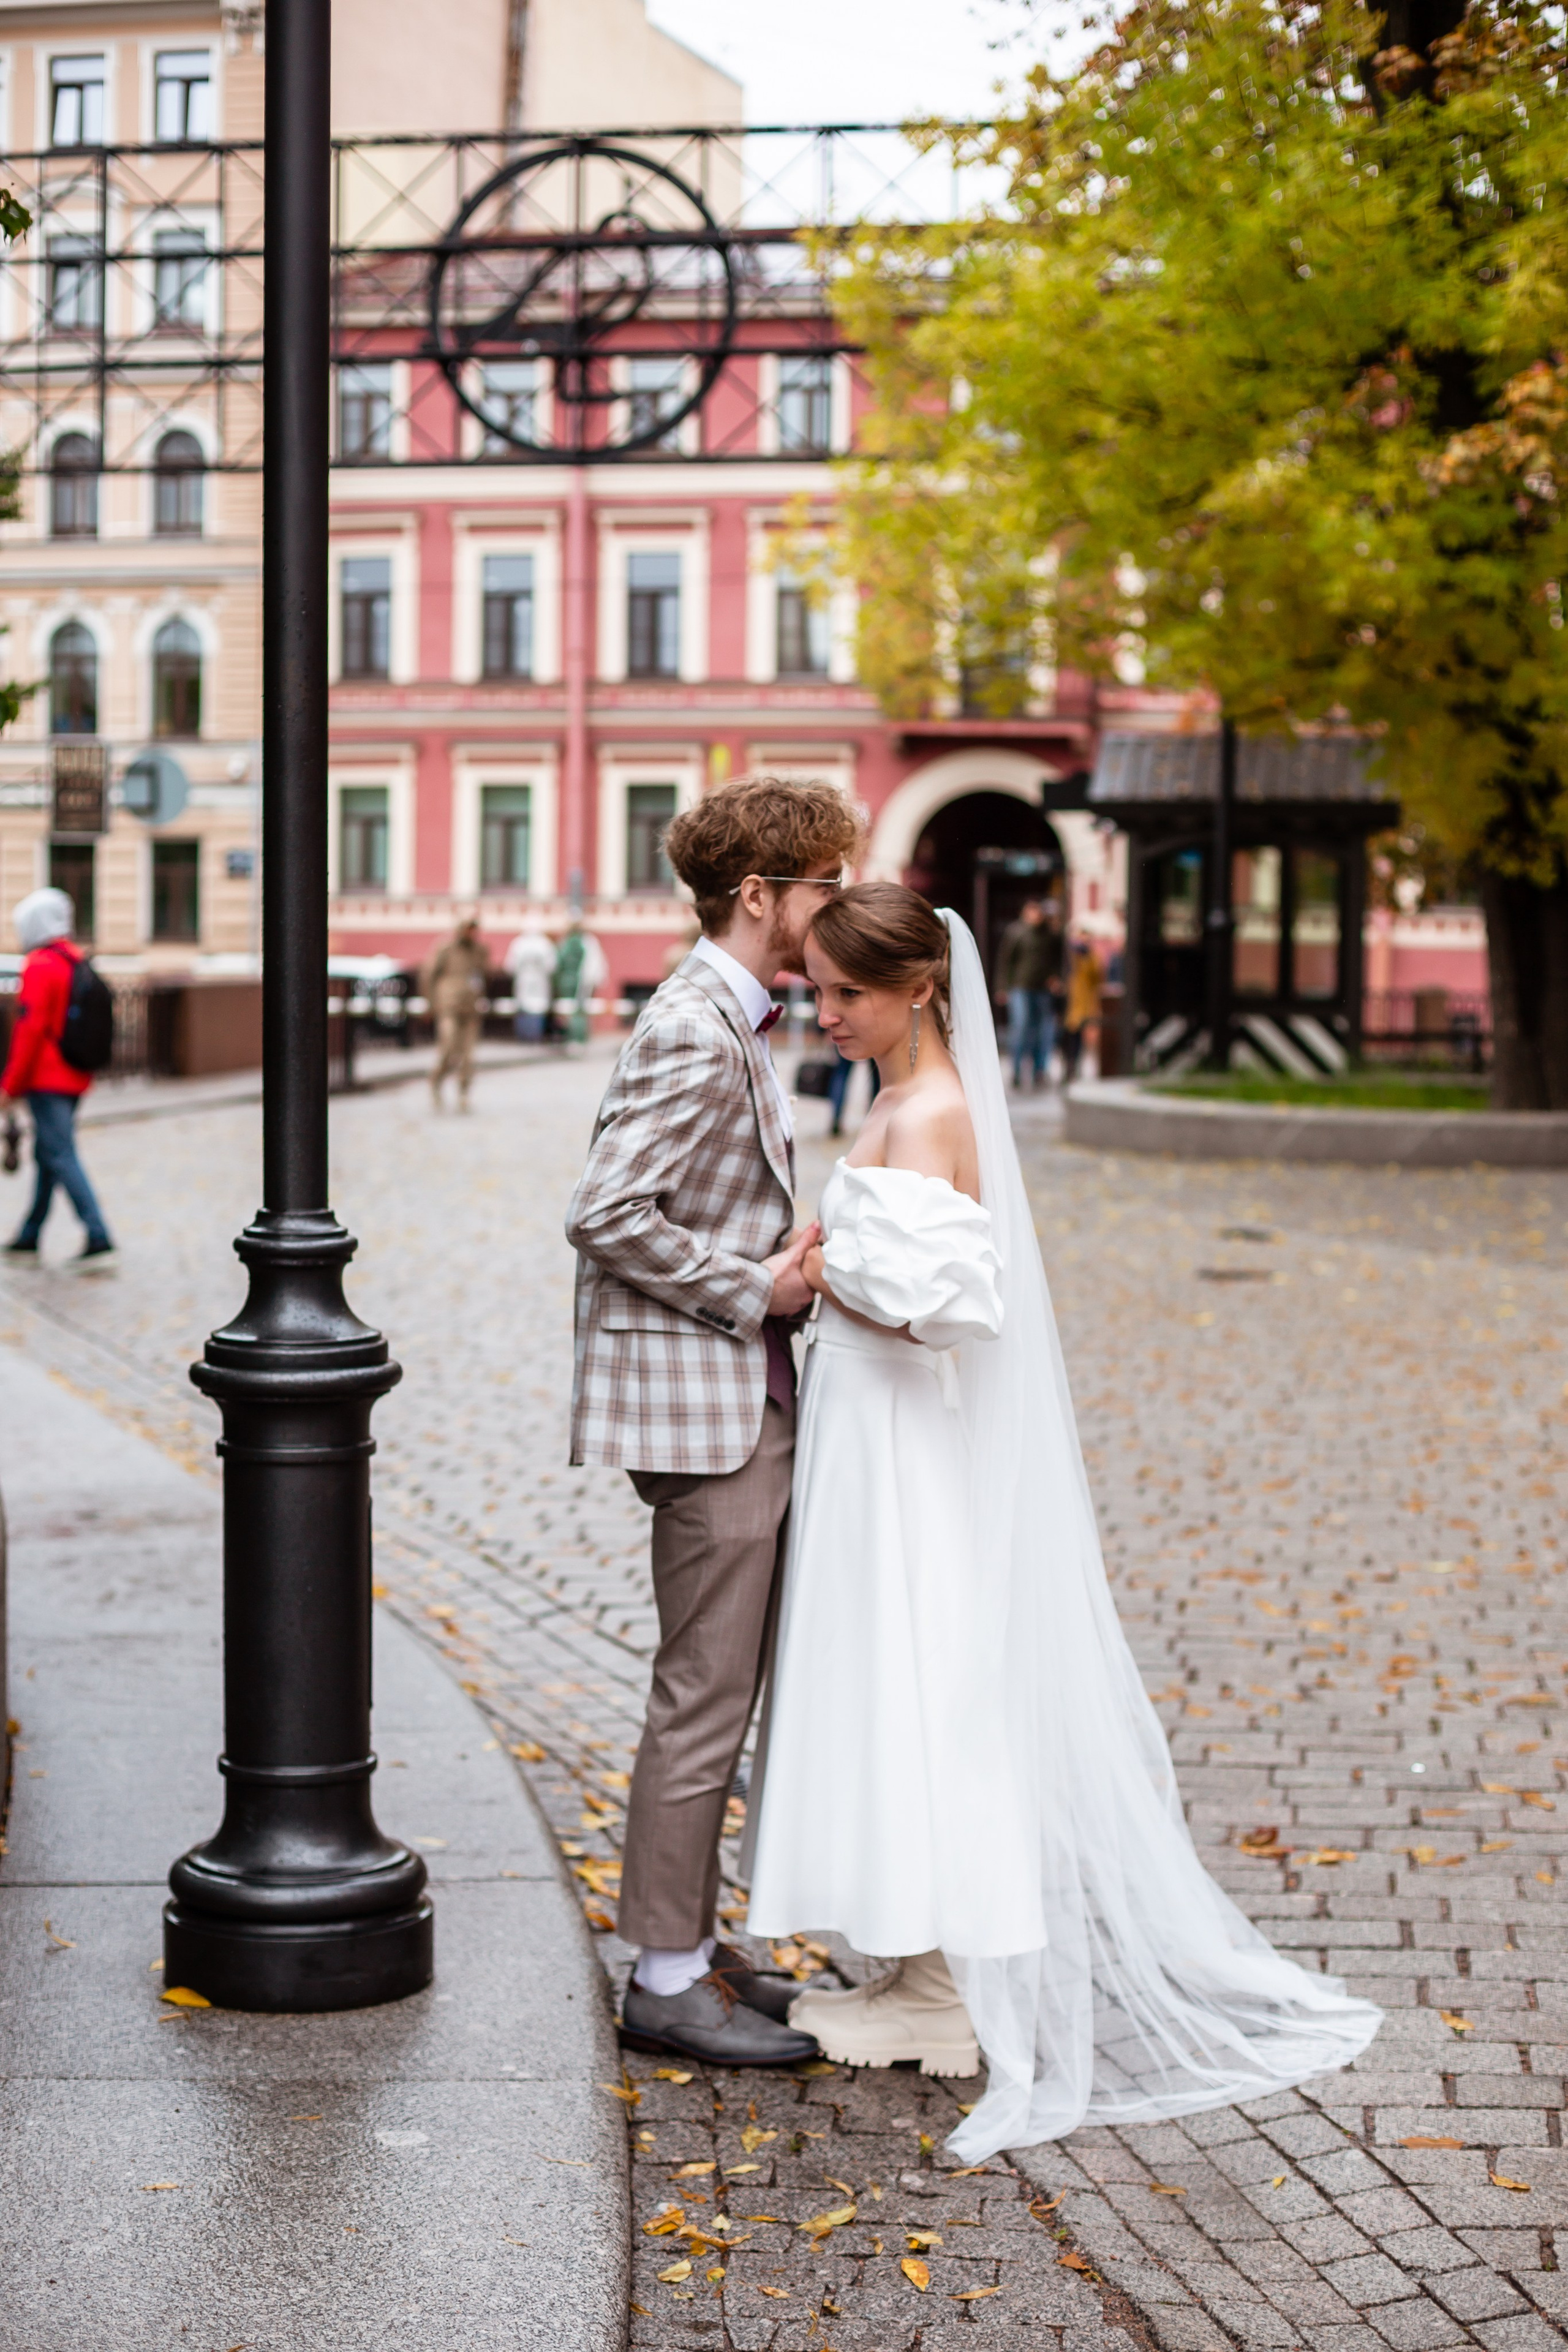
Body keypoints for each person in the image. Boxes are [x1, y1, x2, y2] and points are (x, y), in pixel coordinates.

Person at [743, 883, 1381, 2157]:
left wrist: (816, 1273)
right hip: (865, 1424)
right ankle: (911, 1961)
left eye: (848, 993)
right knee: (886, 1685)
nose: (827, 1013)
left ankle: (938, 1991)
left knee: (915, 1684)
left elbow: (946, 1307)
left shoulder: (932, 1111)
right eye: (817, 989)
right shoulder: (897, 1099)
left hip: (896, 1431)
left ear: (922, 987)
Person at [564, 773, 864, 2067]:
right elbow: (604, 1212)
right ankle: (667, 1977)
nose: (840, 904)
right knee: (702, 1696)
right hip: (714, 1413)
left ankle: (696, 1944)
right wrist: (757, 1287)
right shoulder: (696, 1025)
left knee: (725, 1689)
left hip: (743, 1396)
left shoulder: (729, 1014)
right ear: (759, 894)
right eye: (825, 886)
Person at [2, 887, 115, 1270]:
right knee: (49, 1153)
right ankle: (30, 1233)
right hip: (74, 1074)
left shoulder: (40, 964)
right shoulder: (73, 958)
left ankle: (98, 1236)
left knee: (60, 1154)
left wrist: (10, 1086)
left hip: (47, 1078)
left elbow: (30, 1030)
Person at [423, 916, 489, 1111]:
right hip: (448, 1006)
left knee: (468, 1055)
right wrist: (431, 1003)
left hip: (471, 1008)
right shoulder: (446, 949)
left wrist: (481, 996)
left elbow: (485, 976)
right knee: (449, 1046)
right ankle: (436, 1080)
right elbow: (430, 975)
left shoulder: (479, 951)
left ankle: (463, 1092)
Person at [995, 895, 1061, 1088]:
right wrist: (1002, 987)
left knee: (1043, 1031)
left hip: (1043, 989)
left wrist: (1056, 977)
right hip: (1020, 988)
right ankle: (1016, 1071)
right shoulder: (1016, 932)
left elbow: (1057, 959)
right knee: (1021, 1028)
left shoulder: (1049, 933)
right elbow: (1005, 961)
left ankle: (1039, 1071)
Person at [554, 919, 608, 1045]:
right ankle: (577, 1037)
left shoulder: (574, 942)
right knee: (577, 1010)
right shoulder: (584, 941)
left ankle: (576, 1037)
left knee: (576, 1010)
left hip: (577, 981)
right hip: (581, 981)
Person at [1060, 930, 1102, 1083]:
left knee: (1077, 1036)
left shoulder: (1092, 957)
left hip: (1082, 1003)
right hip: (1067, 1002)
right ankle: (1068, 1065)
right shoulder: (1069, 956)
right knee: (1066, 1036)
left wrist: (1088, 956)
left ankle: (1073, 1065)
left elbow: (1098, 976)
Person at [503, 921, 555, 1043]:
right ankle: (535, 1036)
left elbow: (510, 966)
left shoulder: (519, 944)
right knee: (538, 1008)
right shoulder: (545, 944)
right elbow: (552, 966)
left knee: (524, 1007)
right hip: (540, 983)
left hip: (524, 982)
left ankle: (524, 1037)